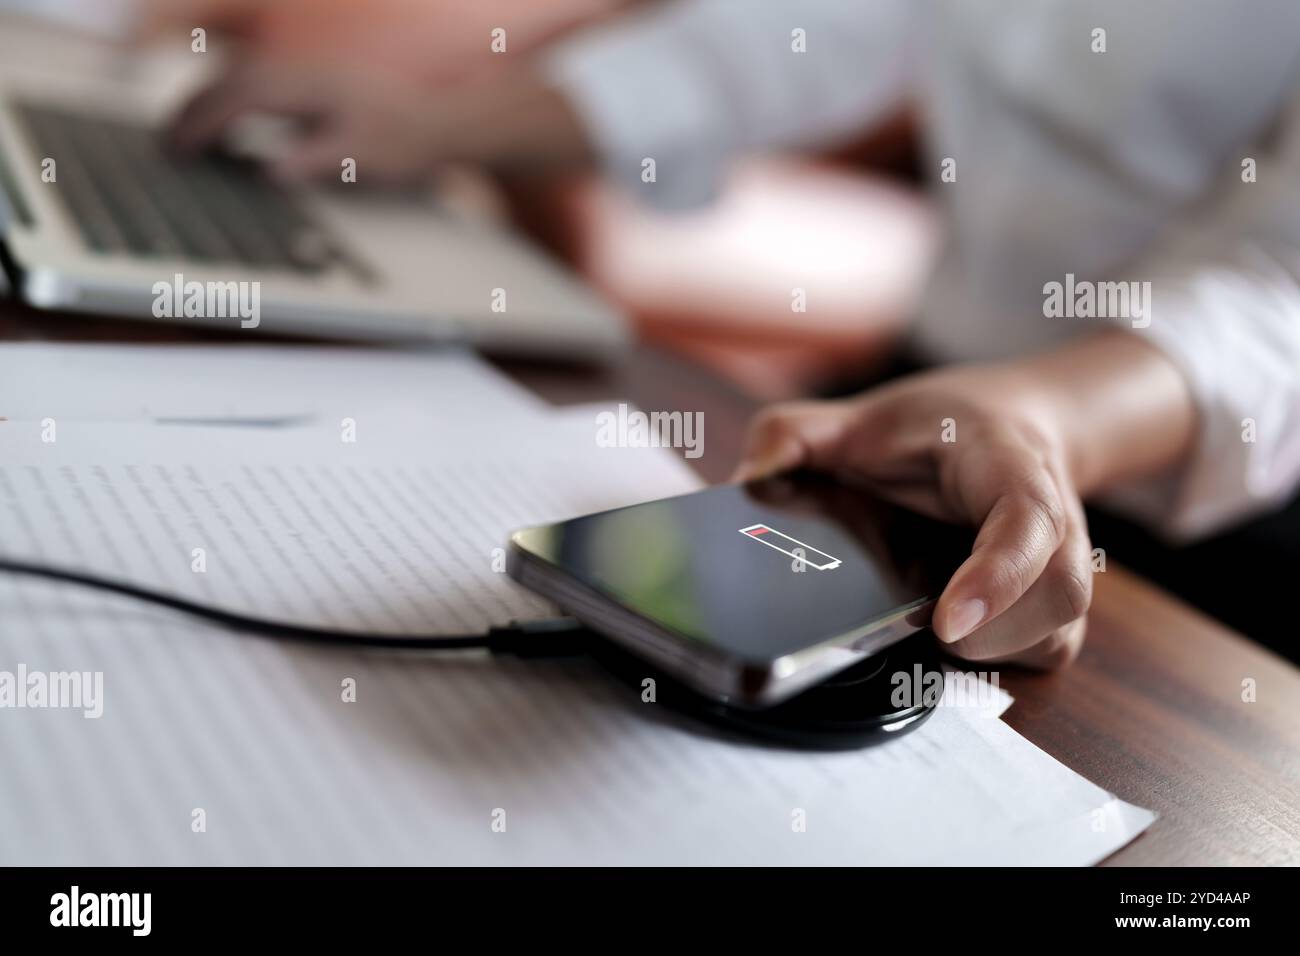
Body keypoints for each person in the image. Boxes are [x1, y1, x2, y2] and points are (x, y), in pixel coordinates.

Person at [157, 0, 1300, 666]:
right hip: (923, 406)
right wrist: (436, 121)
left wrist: (1037, 411)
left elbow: (1275, 287)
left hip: (1187, 489)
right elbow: (808, 28)